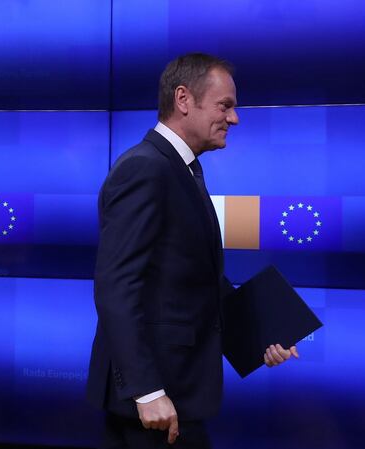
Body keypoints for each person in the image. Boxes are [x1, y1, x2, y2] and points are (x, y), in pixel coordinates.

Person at [86, 53, 299, 448]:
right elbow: (117, 285)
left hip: (180, 393)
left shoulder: (182, 168)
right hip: (154, 402)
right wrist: (146, 391)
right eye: (225, 106)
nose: (234, 119)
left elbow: (192, 278)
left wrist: (260, 337)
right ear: (184, 99)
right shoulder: (146, 168)